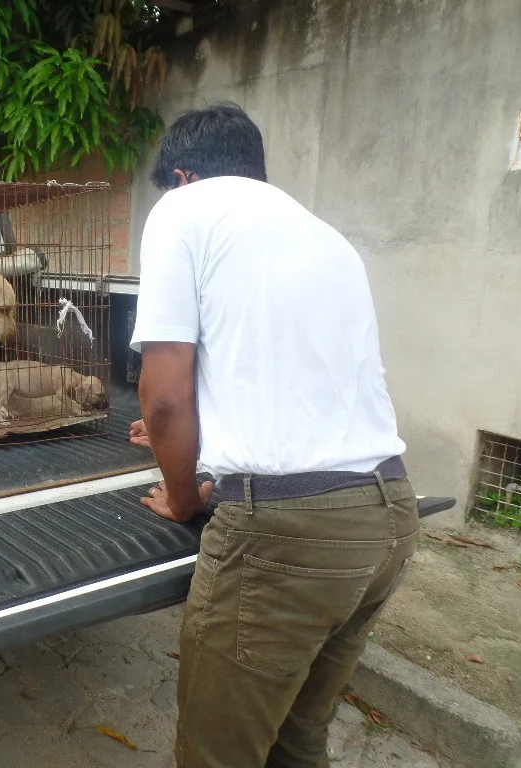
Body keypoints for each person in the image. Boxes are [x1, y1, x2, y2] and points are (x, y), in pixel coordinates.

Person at [128, 102, 417, 768]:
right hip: (390, 518)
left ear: (183, 174)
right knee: (296, 740)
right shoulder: (323, 234)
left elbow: (166, 394)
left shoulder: (183, 209)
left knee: (215, 756)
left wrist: (183, 496)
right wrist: (191, 426)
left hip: (287, 540)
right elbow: (280, 372)